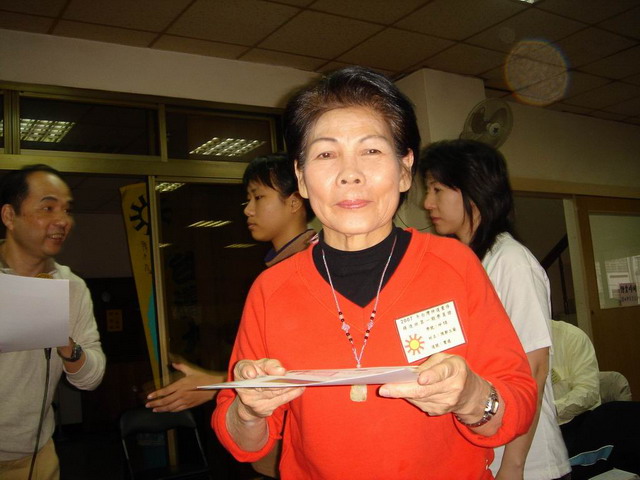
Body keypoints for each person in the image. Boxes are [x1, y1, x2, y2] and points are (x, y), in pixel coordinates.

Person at [212, 66, 537, 480]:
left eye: (371, 151)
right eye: (326, 154)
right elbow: (243, 443)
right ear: (302, 179)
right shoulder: (271, 290)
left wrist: (471, 396)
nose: (350, 174)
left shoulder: (454, 265)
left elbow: (516, 406)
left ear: (404, 169)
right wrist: (248, 410)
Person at [146, 153, 315, 479]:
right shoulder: (278, 268)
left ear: (294, 202)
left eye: (258, 197)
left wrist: (213, 385)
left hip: (308, 445)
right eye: (248, 199)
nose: (247, 209)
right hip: (282, 441)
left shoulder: (313, 266)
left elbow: (309, 367)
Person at [420, 139, 571, 480]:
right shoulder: (464, 264)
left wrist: (513, 466)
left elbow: (535, 368)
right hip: (481, 450)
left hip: (527, 464)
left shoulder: (511, 262)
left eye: (437, 189)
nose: (427, 202)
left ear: (474, 191)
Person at [0, 164, 106, 480]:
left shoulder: (72, 286)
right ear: (9, 216)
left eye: (66, 210)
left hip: (37, 456)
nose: (62, 221)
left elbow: (91, 378)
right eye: (48, 208)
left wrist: (67, 346)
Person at [552, 319, 640, 479]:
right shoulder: (507, 345)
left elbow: (588, 392)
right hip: (530, 433)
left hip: (572, 422)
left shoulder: (570, 337)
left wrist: (548, 411)